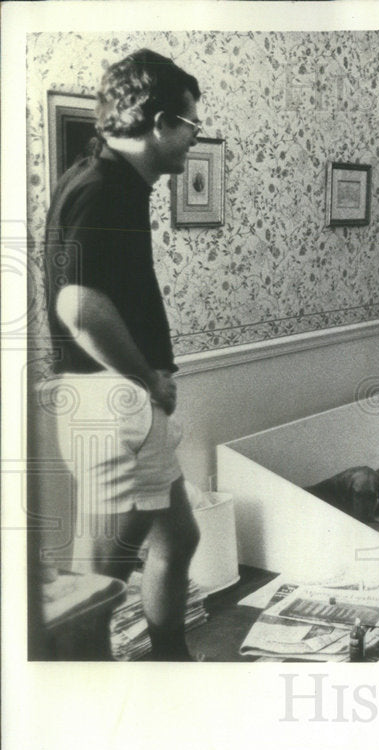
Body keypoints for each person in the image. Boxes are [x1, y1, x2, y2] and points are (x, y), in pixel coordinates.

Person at [43, 49, 203, 660]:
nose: (193, 140)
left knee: (178, 537)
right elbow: (79, 309)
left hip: (119, 403)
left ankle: (169, 660)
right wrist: (148, 380)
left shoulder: (107, 179)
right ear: (160, 122)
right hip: (112, 405)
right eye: (190, 126)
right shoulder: (105, 189)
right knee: (97, 584)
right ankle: (83, 710)